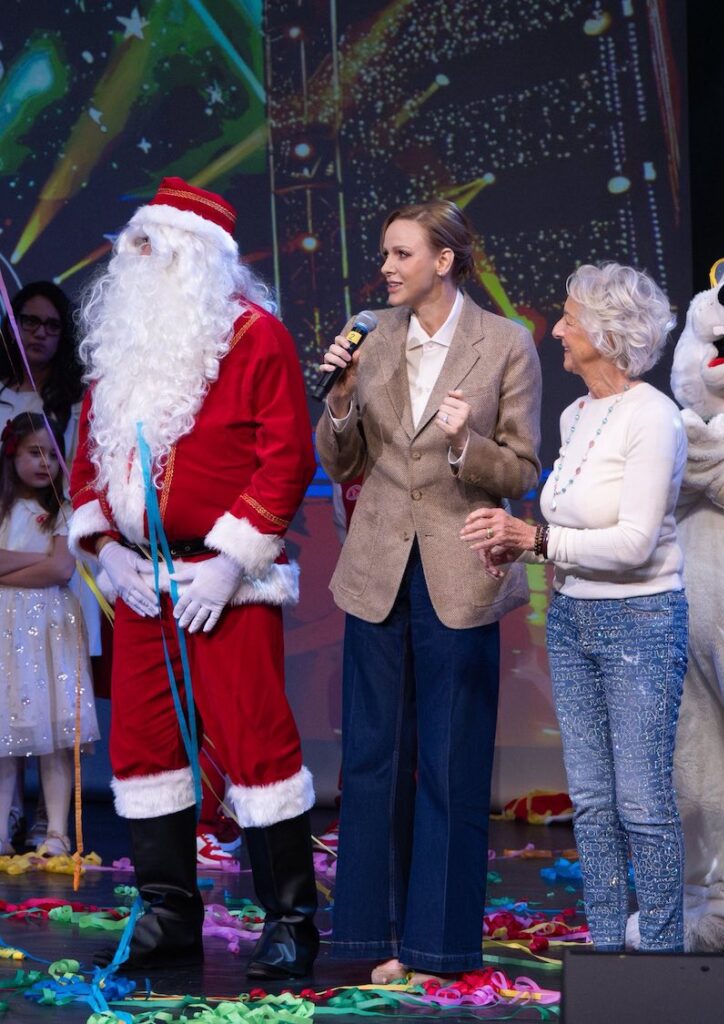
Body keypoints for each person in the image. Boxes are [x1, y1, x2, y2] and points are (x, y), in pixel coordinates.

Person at [68, 177, 319, 978]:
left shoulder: (254, 337)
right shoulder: (118, 354)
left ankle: (290, 920)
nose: (133, 256)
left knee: (253, 736)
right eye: (131, 244)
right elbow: (85, 471)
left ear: (195, 256)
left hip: (226, 583)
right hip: (142, 584)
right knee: (143, 745)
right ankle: (168, 914)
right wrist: (108, 553)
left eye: (151, 244)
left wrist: (230, 562)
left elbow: (287, 457)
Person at [315, 199, 541, 982]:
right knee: (370, 758)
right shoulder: (370, 335)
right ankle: (366, 938)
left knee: (450, 761)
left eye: (401, 253)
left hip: (459, 569)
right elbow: (342, 462)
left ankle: (437, 948)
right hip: (377, 569)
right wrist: (340, 398)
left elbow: (519, 469)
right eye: (384, 253)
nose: (386, 267)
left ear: (443, 261)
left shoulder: (504, 343)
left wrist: (462, 442)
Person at [461, 262, 688, 952]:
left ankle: (660, 959)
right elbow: (569, 531)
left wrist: (532, 539)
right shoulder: (576, 413)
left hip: (640, 623)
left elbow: (633, 543)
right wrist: (519, 551)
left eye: (567, 317)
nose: (556, 329)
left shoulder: (653, 417)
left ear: (608, 331)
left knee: (642, 803)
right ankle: (606, 951)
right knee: (590, 803)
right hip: (571, 620)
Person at [0, 412, 99, 856]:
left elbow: (60, 569)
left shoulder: (65, 508)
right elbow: (47, 564)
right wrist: (35, 561)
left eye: (52, 454)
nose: (45, 463)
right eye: (33, 452)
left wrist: (11, 564)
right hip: (5, 627)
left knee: (55, 735)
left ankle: (57, 832)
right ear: (11, 455)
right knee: (5, 731)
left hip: (49, 626)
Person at [0, 282, 84, 459]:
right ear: (12, 328)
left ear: (63, 336)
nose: (40, 333)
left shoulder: (77, 402)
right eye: (31, 321)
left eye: (52, 326)